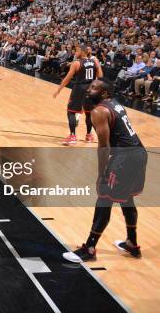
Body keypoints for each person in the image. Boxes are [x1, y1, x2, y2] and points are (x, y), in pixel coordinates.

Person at [63, 79, 147, 262]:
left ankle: (90, 248)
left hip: (125, 159)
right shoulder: (114, 104)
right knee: (128, 198)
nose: (88, 89)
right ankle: (132, 243)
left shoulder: (99, 111)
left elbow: (104, 147)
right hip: (139, 153)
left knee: (104, 199)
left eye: (93, 88)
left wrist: (101, 174)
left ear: (104, 93)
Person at [53, 46, 103, 145]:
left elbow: (67, 79)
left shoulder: (76, 63)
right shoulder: (94, 62)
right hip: (91, 89)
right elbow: (100, 77)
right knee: (89, 113)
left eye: (77, 51)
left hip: (80, 89)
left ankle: (72, 136)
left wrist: (58, 90)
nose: (75, 52)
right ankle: (89, 135)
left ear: (82, 52)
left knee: (71, 112)